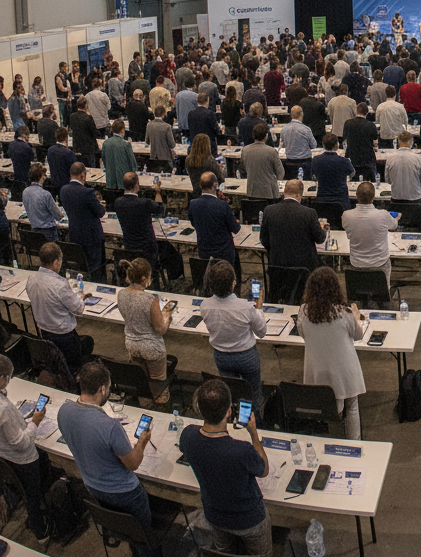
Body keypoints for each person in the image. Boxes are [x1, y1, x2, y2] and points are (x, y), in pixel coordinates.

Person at [56, 361, 160, 557]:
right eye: (109, 387)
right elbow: (133, 464)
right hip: (126, 493)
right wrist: (142, 442)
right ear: (103, 389)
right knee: (143, 536)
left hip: (93, 487)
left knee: (127, 529)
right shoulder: (110, 426)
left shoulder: (64, 411)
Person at [178, 378, 272, 557]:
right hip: (250, 521)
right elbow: (264, 470)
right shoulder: (241, 450)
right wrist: (254, 434)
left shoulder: (187, 436)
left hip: (215, 516)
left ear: (199, 408)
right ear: (229, 411)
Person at [298, 266, 367, 440]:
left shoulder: (304, 312)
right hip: (345, 372)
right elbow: (358, 335)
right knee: (351, 405)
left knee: (326, 406)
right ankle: (354, 442)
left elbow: (302, 333)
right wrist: (358, 319)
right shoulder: (344, 313)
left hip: (318, 372)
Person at [201, 259, 267, 424]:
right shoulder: (245, 307)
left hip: (221, 357)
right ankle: (254, 424)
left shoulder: (205, 305)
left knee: (230, 393)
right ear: (233, 283)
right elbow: (262, 332)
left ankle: (233, 420)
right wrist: (258, 308)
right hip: (246, 356)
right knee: (253, 394)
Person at [0, 352, 52, 544]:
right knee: (32, 496)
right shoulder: (3, 408)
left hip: (4, 457)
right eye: (8, 378)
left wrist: (25, 423)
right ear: (2, 378)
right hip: (22, 460)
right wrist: (35, 423)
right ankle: (42, 532)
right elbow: (21, 444)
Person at [25, 242, 93, 372]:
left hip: (44, 333)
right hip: (65, 337)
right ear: (56, 262)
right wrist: (81, 297)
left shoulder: (31, 279)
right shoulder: (60, 285)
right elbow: (78, 309)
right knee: (86, 344)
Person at [117, 257, 173, 396]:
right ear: (144, 279)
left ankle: (144, 401)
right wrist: (166, 314)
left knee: (141, 379)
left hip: (131, 344)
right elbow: (160, 329)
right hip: (151, 347)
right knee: (158, 385)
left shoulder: (121, 294)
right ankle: (160, 404)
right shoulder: (149, 299)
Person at [259, 179, 328, 272]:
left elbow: (264, 240)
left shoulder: (269, 211)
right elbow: (320, 239)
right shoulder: (309, 213)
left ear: (284, 192)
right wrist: (324, 229)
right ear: (300, 194)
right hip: (304, 268)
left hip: (277, 265)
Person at [343, 181, 400, 290]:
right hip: (380, 265)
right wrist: (396, 218)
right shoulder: (383, 215)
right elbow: (394, 225)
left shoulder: (346, 216)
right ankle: (384, 292)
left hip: (356, 264)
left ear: (356, 196)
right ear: (373, 197)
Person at [60, 161, 107, 282]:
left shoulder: (64, 190)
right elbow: (100, 212)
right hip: (91, 236)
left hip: (75, 232)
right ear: (83, 175)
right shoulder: (87, 192)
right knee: (94, 267)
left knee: (80, 265)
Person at [114, 172, 164, 271]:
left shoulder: (118, 202)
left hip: (129, 247)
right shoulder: (145, 203)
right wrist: (158, 193)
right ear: (137, 185)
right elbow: (160, 210)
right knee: (165, 246)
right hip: (147, 250)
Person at [190, 171, 241, 264]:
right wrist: (237, 221)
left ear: (200, 186)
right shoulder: (222, 206)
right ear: (215, 185)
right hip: (223, 254)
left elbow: (194, 223)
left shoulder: (193, 204)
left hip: (204, 252)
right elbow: (236, 229)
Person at [240, 123, 285, 207]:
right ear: (266, 136)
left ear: (253, 135)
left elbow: (243, 170)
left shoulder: (245, 150)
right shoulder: (271, 151)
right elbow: (280, 173)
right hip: (269, 194)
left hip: (251, 191)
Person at [311, 133, 356, 209]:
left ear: (323, 145)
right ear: (337, 145)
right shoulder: (344, 161)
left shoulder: (316, 160)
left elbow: (313, 175)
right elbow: (352, 173)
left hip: (322, 202)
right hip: (341, 203)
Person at [22, 162, 61, 241]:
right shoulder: (46, 194)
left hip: (35, 231)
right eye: (44, 175)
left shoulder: (25, 192)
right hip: (49, 233)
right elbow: (59, 217)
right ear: (41, 177)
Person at [342, 103, 380, 180]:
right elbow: (375, 143)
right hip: (367, 158)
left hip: (352, 157)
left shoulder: (348, 123)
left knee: (351, 180)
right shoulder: (371, 126)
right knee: (371, 180)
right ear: (367, 112)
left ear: (356, 111)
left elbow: (344, 139)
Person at [280, 105, 316, 181]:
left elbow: (282, 144)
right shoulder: (306, 129)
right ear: (302, 114)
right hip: (305, 163)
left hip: (289, 162)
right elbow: (314, 145)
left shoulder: (284, 129)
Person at [69, 96, 100, 167]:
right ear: (86, 105)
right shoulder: (88, 118)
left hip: (77, 147)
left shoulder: (72, 117)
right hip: (88, 149)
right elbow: (95, 133)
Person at [47, 127, 76, 191]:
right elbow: (75, 170)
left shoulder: (50, 150)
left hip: (54, 183)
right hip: (67, 185)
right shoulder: (69, 153)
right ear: (67, 138)